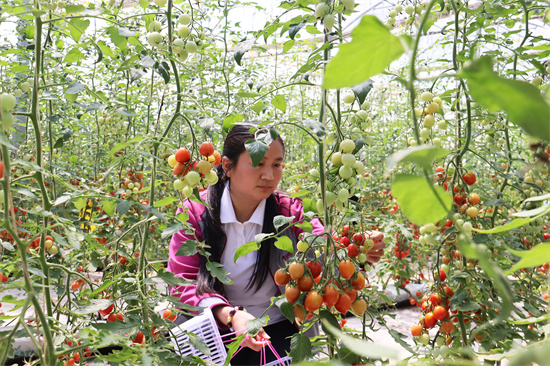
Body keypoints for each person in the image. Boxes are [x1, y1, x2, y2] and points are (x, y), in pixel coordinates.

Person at [167, 124, 385, 365]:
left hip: (276, 331)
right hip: (215, 331)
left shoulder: (289, 213)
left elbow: (326, 255)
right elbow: (182, 283)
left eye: (277, 164)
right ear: (228, 166)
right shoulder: (195, 213)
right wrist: (231, 315)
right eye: (258, 163)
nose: (269, 175)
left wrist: (357, 253)